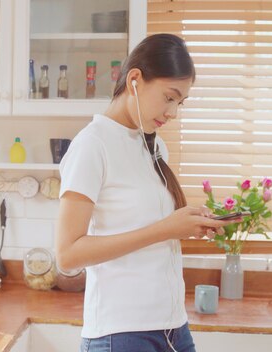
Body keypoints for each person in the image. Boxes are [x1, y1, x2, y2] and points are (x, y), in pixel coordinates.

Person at [55, 34, 240, 352]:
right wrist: (165, 229)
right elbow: (68, 256)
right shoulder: (92, 145)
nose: (173, 113)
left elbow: (151, 229)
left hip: (173, 328)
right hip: (121, 334)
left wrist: (187, 223)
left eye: (179, 103)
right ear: (135, 79)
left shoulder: (153, 145)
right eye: (169, 97)